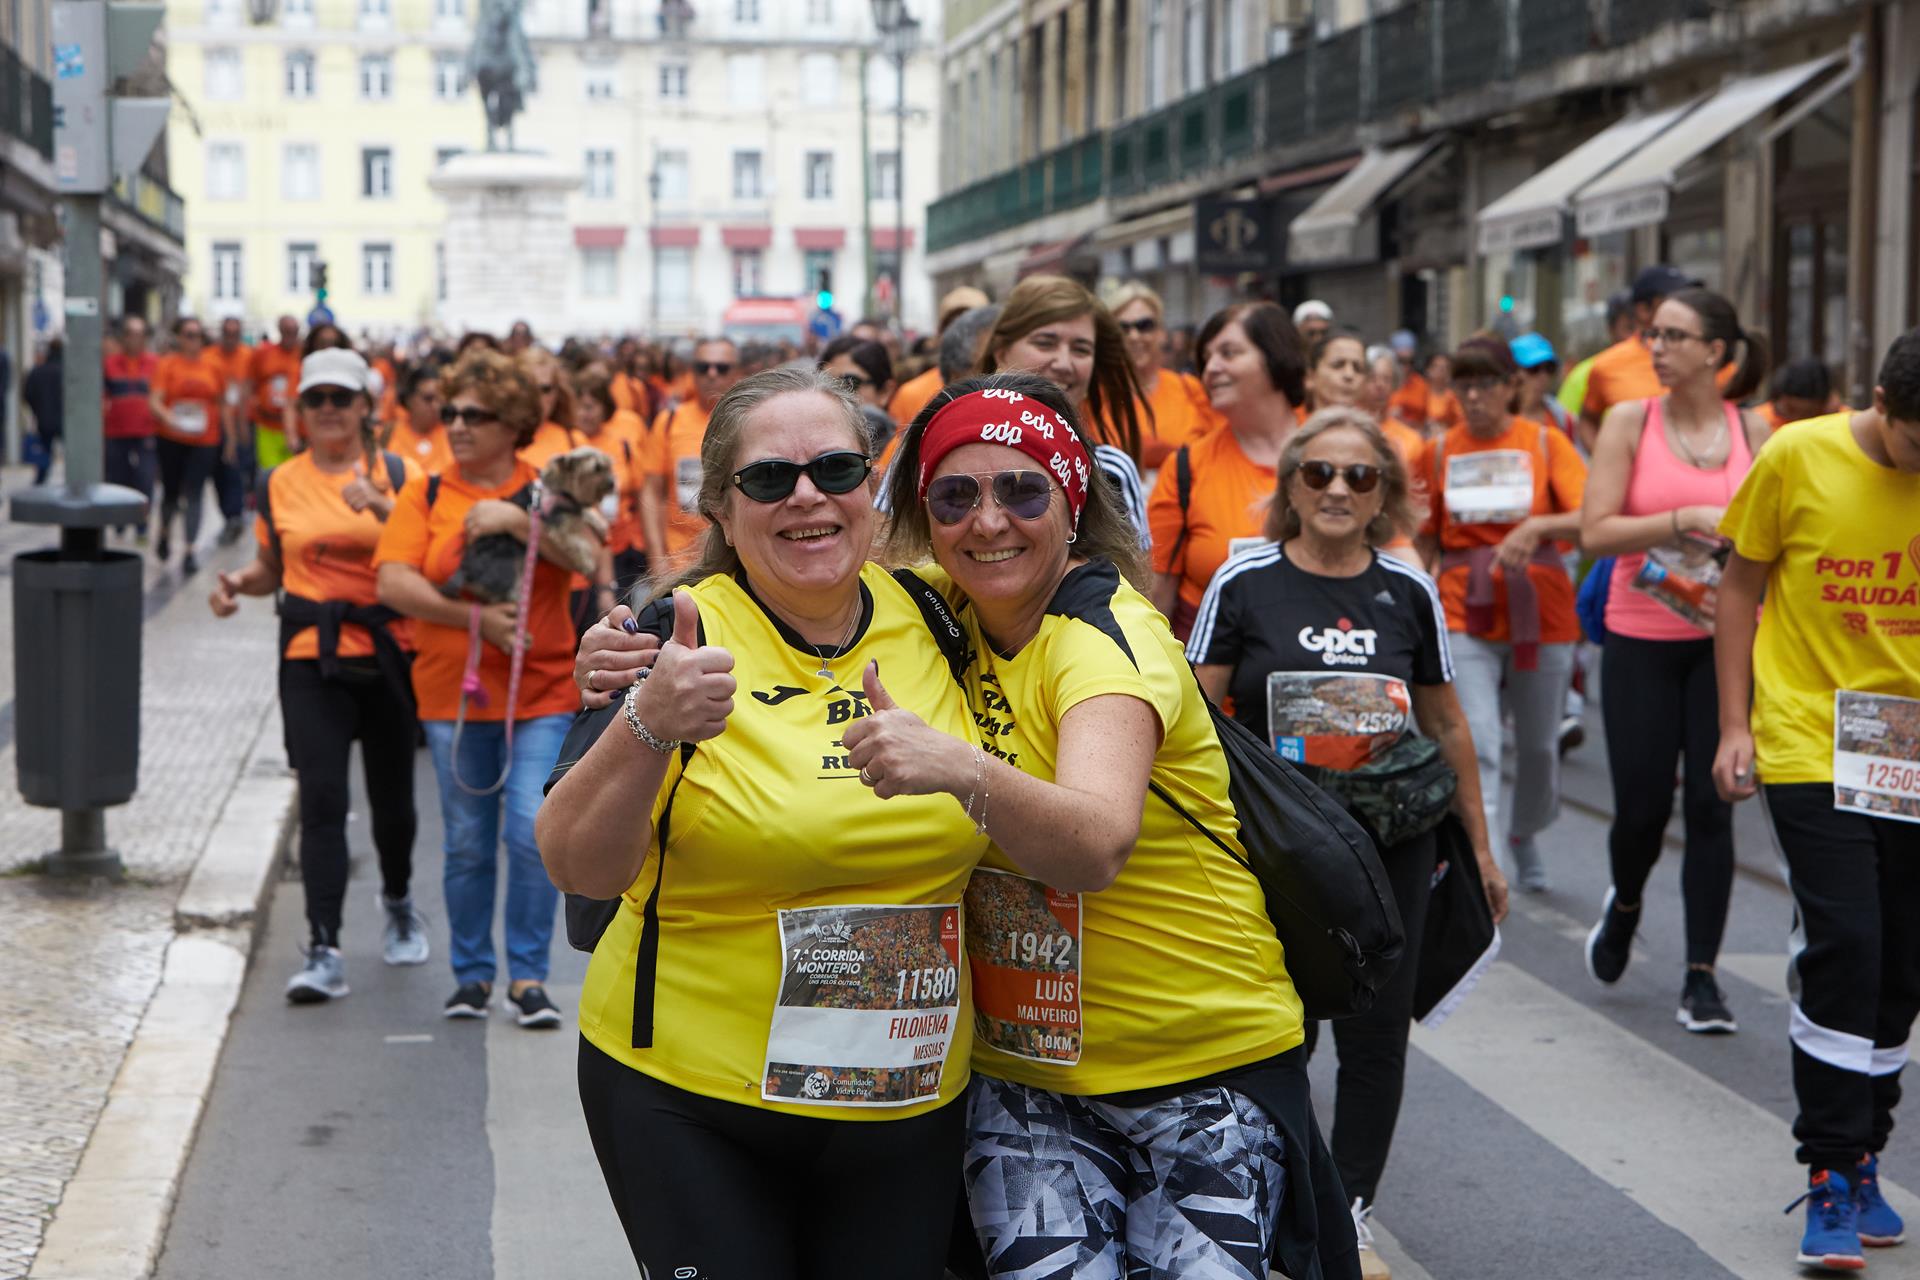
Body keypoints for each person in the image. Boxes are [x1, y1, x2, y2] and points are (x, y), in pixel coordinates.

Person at [870, 372, 1357, 1280]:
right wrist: (642, 637)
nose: (988, 521)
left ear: (1071, 504)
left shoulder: (1102, 639)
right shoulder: (934, 608)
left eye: (1023, 491)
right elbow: (793, 584)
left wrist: (959, 767)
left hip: (1200, 1071)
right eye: (955, 496)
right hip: (1028, 1081)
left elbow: (1096, 842)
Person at [538, 367, 989, 1277]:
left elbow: (1052, 573)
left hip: (903, 1100)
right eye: (770, 478)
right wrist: (647, 723)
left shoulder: (946, 614)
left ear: (871, 485)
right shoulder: (674, 634)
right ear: (720, 504)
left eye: (835, 469)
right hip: (690, 1096)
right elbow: (578, 866)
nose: (807, 497)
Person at [1188, 407, 1508, 1280]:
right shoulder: (1244, 581)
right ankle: (1277, 1198)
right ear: (1291, 487)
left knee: (1375, 1037)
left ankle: (1350, 1210)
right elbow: (1194, 714)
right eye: (1319, 473)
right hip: (1279, 853)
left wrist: (1481, 850)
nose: (1337, 490)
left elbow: (1447, 722)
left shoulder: (1408, 590)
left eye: (1359, 476)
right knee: (1276, 1028)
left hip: (1392, 849)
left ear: (1384, 495)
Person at [1712, 331, 1920, 1273]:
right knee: (1847, 944)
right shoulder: (1798, 454)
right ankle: (1831, 1169)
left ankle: (1867, 1149)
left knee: (1902, 962)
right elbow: (1738, 586)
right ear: (1879, 402)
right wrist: (1735, 725)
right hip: (1810, 736)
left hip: (1909, 747)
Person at [374, 348, 590, 1027]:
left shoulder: (548, 488)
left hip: (542, 688)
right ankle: (471, 976)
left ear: (514, 423)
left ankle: (527, 977)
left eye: (476, 414)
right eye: (451, 412)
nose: (458, 425)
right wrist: (474, 620)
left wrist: (519, 522)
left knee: (529, 830)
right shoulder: (426, 492)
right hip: (454, 692)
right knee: (468, 839)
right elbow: (393, 581)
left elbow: (588, 557)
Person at [208, 348, 427, 1001]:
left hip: (390, 652)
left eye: (340, 398)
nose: (328, 409)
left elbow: (432, 561)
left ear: (365, 407)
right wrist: (235, 585)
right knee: (323, 800)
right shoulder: (278, 481)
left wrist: (384, 509)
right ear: (300, 409)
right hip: (311, 656)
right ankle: (324, 946)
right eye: (315, 399)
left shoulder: (402, 474)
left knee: (393, 803)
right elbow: (271, 568)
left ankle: (397, 900)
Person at [1579, 288, 1770, 1033]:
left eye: (1673, 336)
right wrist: (1681, 518)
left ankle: (1701, 978)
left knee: (1714, 805)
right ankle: (1626, 903)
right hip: (1641, 636)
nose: (1655, 347)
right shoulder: (1631, 421)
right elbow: (1595, 533)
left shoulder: (1753, 428)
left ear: (1715, 352)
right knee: (1642, 808)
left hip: (1727, 643)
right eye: (1653, 334)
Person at [1413, 337, 1587, 892]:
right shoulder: (1437, 452)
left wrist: (1538, 527)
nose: (1473, 396)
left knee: (1539, 747)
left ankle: (1525, 831)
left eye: (1485, 384)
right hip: (1461, 611)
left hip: (1542, 613)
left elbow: (1591, 515)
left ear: (1512, 386)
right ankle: (1484, 868)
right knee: (1479, 743)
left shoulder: (1546, 442)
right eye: (1462, 385)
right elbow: (1420, 537)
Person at [1147, 301, 1305, 638]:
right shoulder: (1186, 467)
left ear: (1275, 356)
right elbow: (1155, 596)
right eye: (1206, 358)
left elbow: (1394, 558)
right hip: (1212, 664)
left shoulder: (1336, 454)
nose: (1211, 369)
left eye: (1229, 353)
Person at [975, 274, 1146, 465]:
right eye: (1045, 343)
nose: (1064, 364)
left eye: (1081, 349)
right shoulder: (957, 451)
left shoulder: (1112, 471)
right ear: (1001, 352)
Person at [639, 336, 745, 578]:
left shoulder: (749, 422)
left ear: (737, 373)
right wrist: (657, 561)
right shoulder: (669, 422)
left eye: (721, 368)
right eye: (702, 367)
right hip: (679, 564)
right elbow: (651, 492)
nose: (711, 374)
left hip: (737, 564)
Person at [1578, 264, 1702, 450]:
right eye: (1676, 300)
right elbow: (1587, 420)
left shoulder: (1704, 356)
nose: (1688, 307)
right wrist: (1606, 459)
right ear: (1644, 310)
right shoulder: (1607, 365)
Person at [150, 317, 231, 574]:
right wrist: (170, 419)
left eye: (198, 335)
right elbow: (155, 400)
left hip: (205, 440)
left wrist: (229, 439)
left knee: (195, 492)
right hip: (172, 438)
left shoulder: (214, 365)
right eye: (188, 334)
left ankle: (189, 549)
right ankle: (164, 532)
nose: (193, 340)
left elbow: (223, 404)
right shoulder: (168, 364)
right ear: (179, 337)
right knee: (171, 492)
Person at [1113, 281, 1220, 469]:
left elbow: (1221, 449)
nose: (1134, 336)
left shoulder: (1190, 389)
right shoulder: (1092, 397)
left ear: (1161, 333)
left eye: (1144, 325)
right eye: (1123, 328)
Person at [889, 284, 990, 430]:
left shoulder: (1009, 390)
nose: (961, 334)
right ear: (939, 334)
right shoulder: (910, 394)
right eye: (952, 325)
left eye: (972, 326)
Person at [104, 315, 160, 539]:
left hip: (146, 432)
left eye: (140, 334)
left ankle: (141, 523)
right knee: (118, 477)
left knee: (145, 478)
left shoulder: (155, 363)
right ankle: (120, 520)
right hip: (115, 432)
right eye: (130, 334)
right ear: (123, 337)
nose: (135, 339)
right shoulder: (110, 364)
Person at [206, 317, 255, 545]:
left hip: (241, 422)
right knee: (220, 473)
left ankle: (235, 515)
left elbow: (251, 389)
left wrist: (243, 425)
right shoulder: (209, 356)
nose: (231, 338)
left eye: (235, 333)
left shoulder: (249, 356)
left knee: (236, 471)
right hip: (215, 425)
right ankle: (230, 515)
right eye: (227, 333)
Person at [1557, 290, 1635, 423]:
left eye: (1646, 328)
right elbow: (1563, 426)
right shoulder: (1584, 375)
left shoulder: (1662, 374)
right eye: (1630, 328)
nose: (1637, 337)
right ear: (1611, 329)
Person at [818, 334, 897, 454]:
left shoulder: (904, 454)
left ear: (885, 392)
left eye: (849, 383)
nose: (833, 394)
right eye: (825, 382)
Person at [250, 316, 303, 470]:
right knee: (270, 473)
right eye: (286, 330)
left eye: (293, 330)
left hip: (298, 427)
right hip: (268, 425)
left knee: (294, 472)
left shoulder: (303, 354)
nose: (290, 334)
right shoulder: (264, 353)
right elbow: (251, 383)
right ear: (279, 330)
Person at [516, 346, 581, 468]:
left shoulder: (574, 441)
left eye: (545, 389)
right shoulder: (498, 439)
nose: (536, 397)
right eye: (530, 387)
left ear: (557, 392)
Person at [386, 359, 455, 474]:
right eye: (428, 399)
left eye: (440, 400)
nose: (435, 406)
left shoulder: (453, 434)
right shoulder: (387, 434)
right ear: (409, 399)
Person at [1511, 333, 1575, 439]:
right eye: (1534, 368)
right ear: (1513, 372)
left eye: (1549, 368)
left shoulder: (1565, 421)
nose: (1543, 376)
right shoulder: (1495, 418)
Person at [23, 338, 61, 486]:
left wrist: (37, 410)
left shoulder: (38, 371)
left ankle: (40, 480)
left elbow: (27, 394)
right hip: (63, 419)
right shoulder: (64, 371)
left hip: (44, 419)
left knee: (44, 451)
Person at [1760, 358, 1834, 432]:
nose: (1796, 419)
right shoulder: (1761, 420)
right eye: (1791, 410)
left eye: (1807, 414)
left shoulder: (1834, 419)